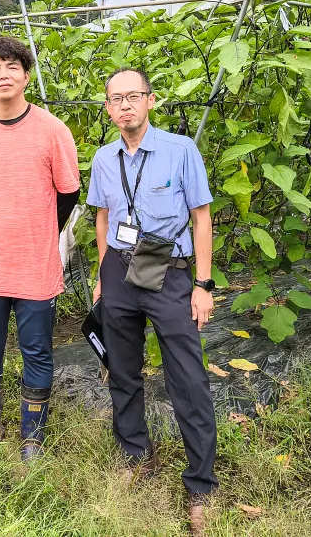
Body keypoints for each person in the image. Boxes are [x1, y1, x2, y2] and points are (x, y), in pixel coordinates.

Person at [86, 68, 217, 535]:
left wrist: (203, 285)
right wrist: (103, 275)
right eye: (116, 98)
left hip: (171, 274)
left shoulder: (181, 151)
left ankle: (200, 484)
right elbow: (103, 217)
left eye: (133, 96)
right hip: (120, 270)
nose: (125, 105)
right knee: (122, 370)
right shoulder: (104, 158)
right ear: (107, 108)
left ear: (151, 101)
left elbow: (201, 219)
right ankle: (135, 455)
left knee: (188, 378)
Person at [0, 36, 80, 461]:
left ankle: (32, 437)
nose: (3, 75)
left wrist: (38, 227)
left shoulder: (52, 130)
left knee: (37, 350)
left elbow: (68, 193)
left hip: (35, 266)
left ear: (26, 76)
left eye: (12, 66)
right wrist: (1, 223)